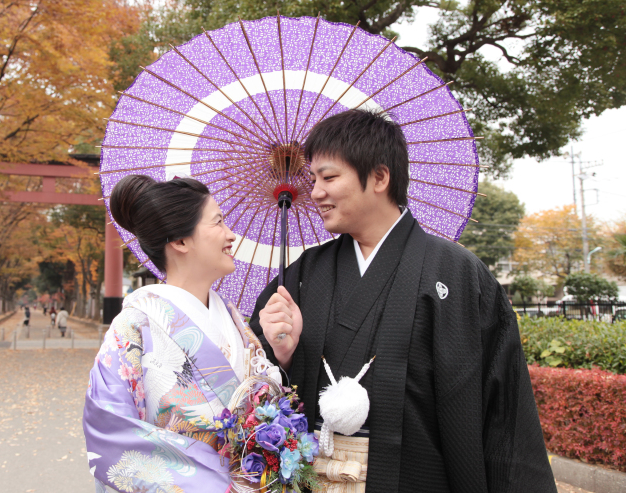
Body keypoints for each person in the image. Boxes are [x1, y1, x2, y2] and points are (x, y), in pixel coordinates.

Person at [250, 109, 556, 492]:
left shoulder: (456, 274)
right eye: (312, 179)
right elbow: (253, 381)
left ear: (379, 177)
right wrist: (283, 356)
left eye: (328, 177)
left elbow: (503, 412)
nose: (315, 192)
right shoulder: (303, 274)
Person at [83, 175, 279, 492]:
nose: (231, 235)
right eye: (218, 223)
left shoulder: (232, 318)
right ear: (180, 241)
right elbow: (109, 429)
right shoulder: (133, 326)